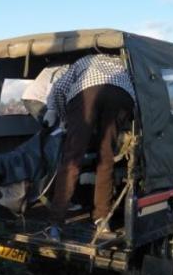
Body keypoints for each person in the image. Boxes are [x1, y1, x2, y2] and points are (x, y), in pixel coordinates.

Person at [44, 54, 135, 241]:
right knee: (106, 158)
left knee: (72, 159)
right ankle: (102, 221)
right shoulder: (121, 63)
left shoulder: (84, 61)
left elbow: (60, 87)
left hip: (88, 92)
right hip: (122, 95)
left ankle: (55, 225)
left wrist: (62, 117)